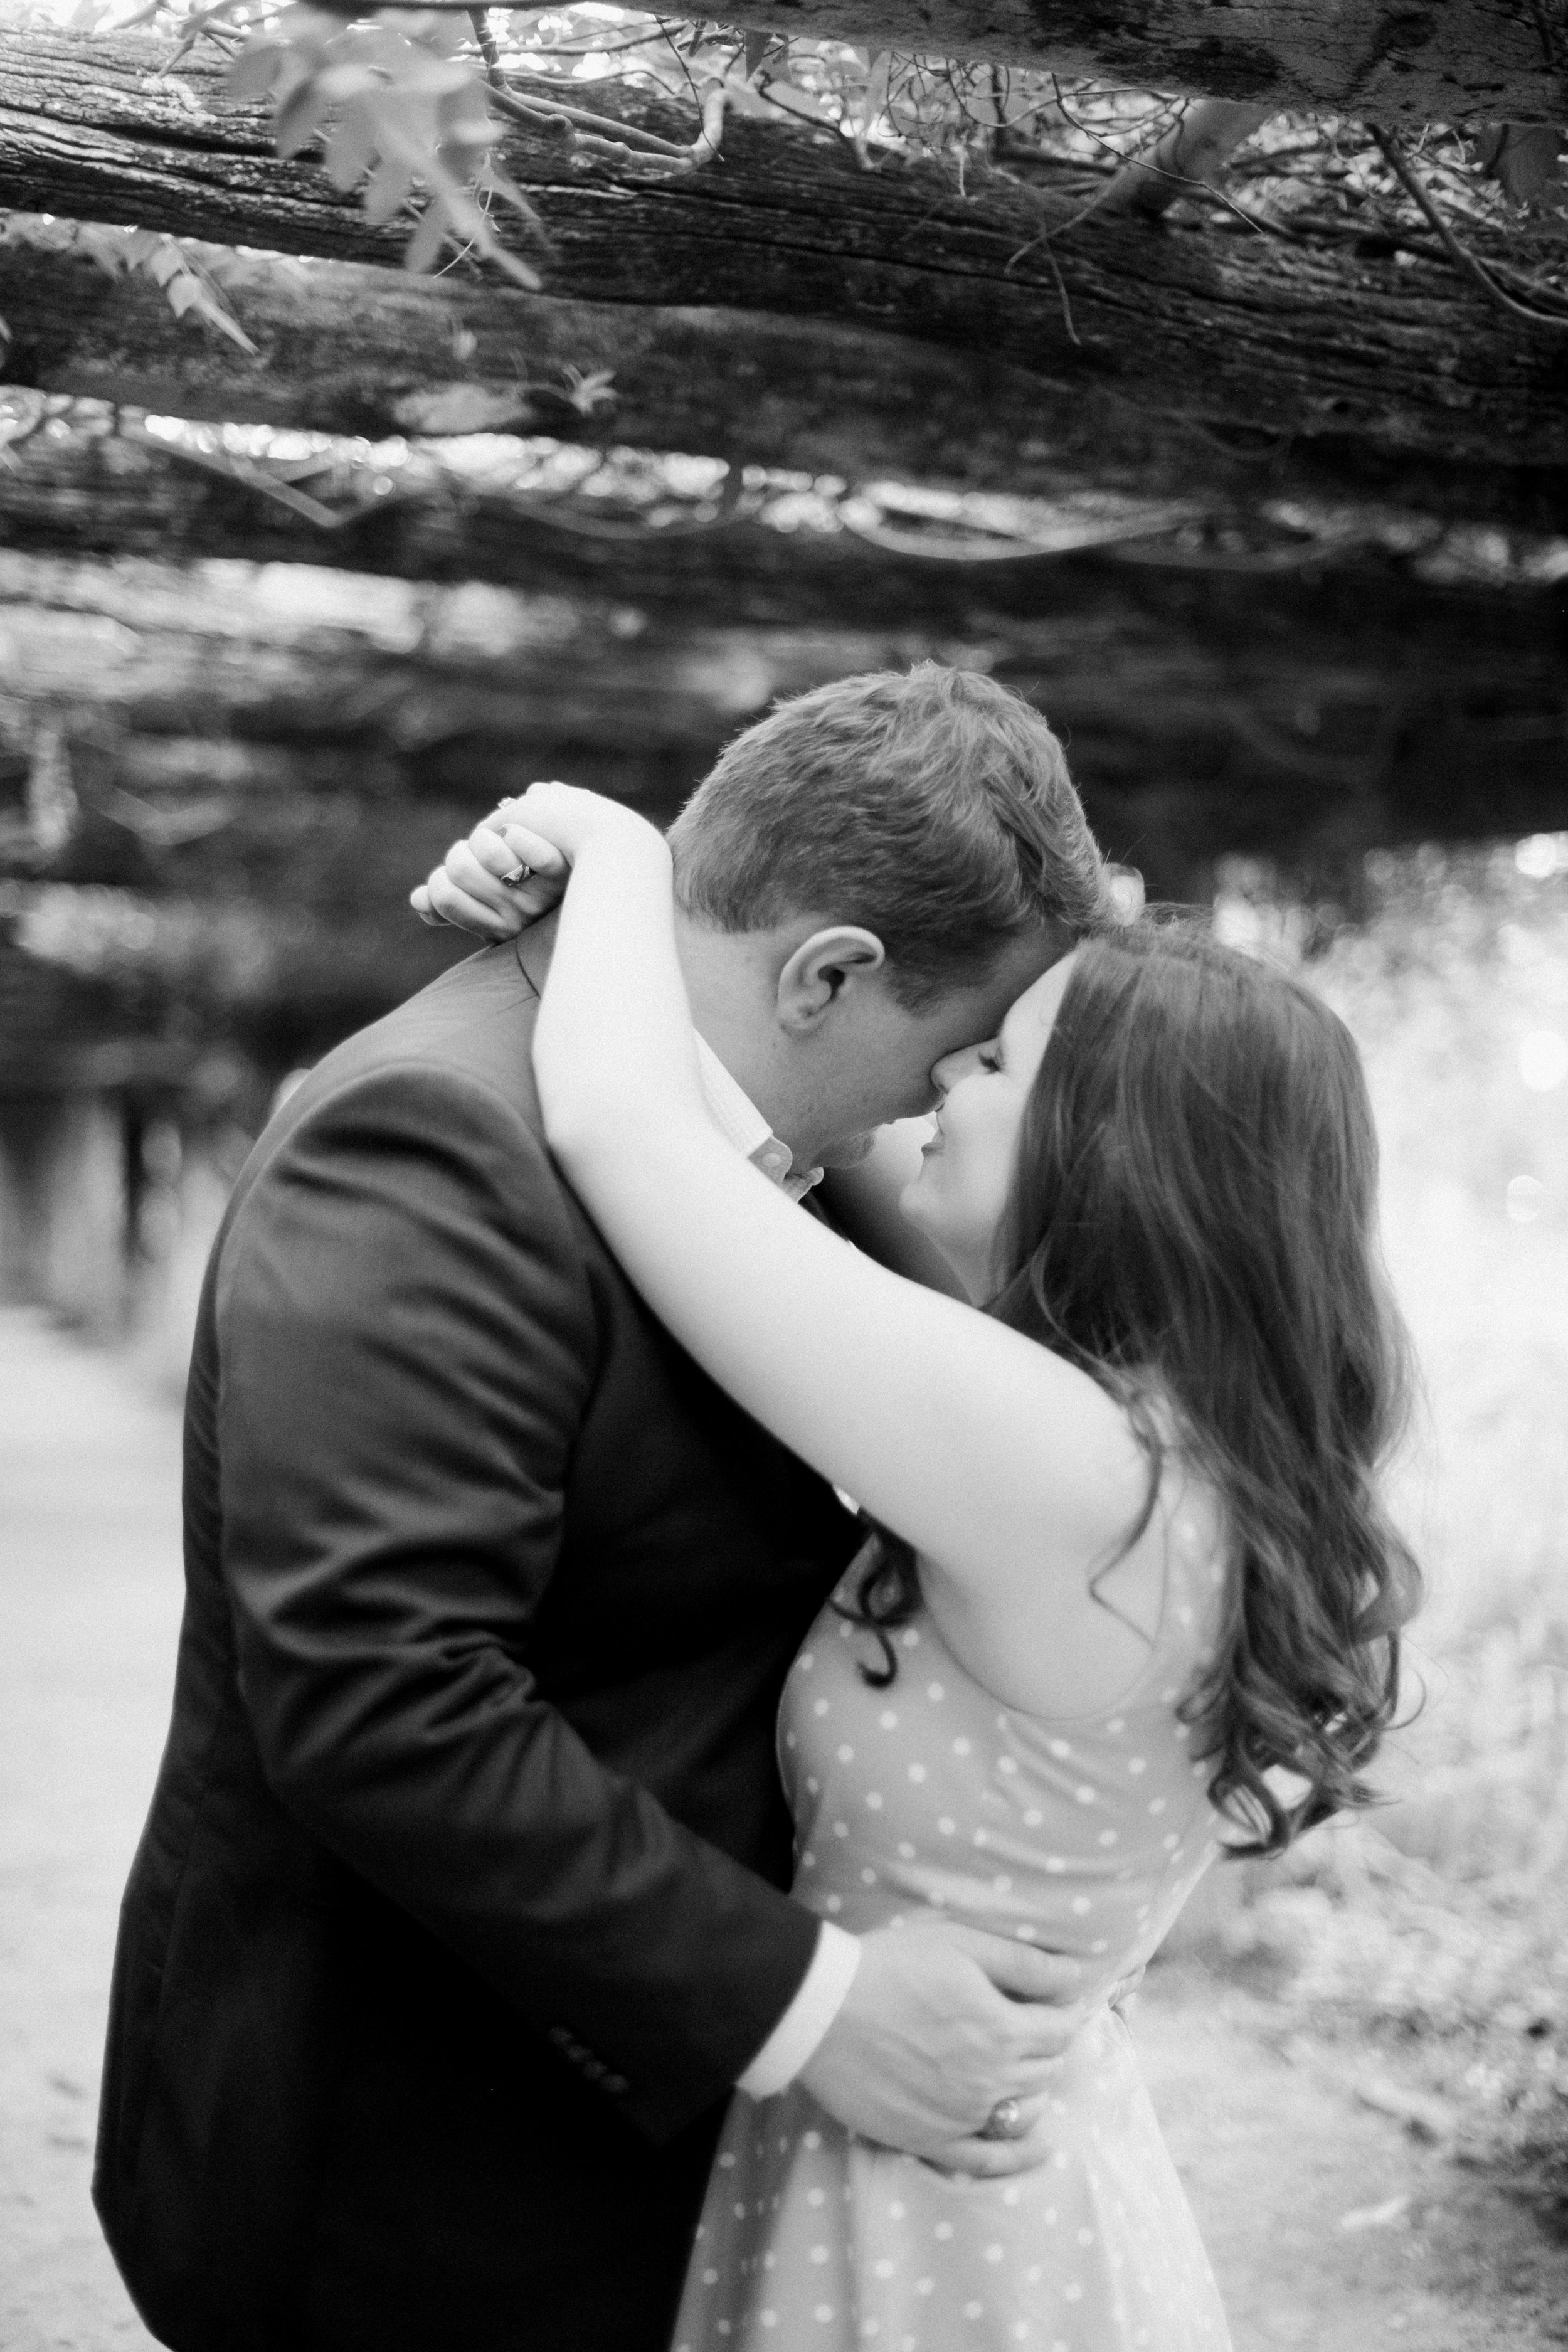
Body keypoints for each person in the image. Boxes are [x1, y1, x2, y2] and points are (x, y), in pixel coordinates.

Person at [94, 668, 1111, 2352]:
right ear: (829, 971)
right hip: (406, 2158)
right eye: (956, 1048)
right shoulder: (429, 1136)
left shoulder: (757, 1137)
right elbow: (378, 1694)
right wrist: (814, 2002)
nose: (944, 1098)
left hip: (613, 2135)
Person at [414, 768, 1421, 2352]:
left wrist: (622, 848)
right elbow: (804, 1140)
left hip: (932, 2224)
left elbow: (631, 1131)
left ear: (1110, 1145)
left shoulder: (1059, 1466)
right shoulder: (1155, 1447)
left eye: (999, 1053)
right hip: (982, 2176)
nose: (948, 1062)